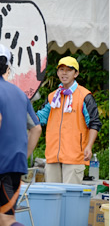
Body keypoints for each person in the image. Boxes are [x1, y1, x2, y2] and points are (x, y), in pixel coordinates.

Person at [0, 44, 42, 226]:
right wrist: (23, 155)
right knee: (7, 218)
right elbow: (36, 128)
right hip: (16, 163)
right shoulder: (20, 93)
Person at [36, 56, 102, 184]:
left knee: (70, 200)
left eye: (69, 70)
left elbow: (94, 123)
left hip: (74, 158)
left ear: (76, 73)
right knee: (52, 198)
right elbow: (40, 118)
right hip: (53, 157)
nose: (64, 73)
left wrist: (89, 146)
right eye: (61, 69)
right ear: (57, 73)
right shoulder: (52, 97)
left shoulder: (85, 96)